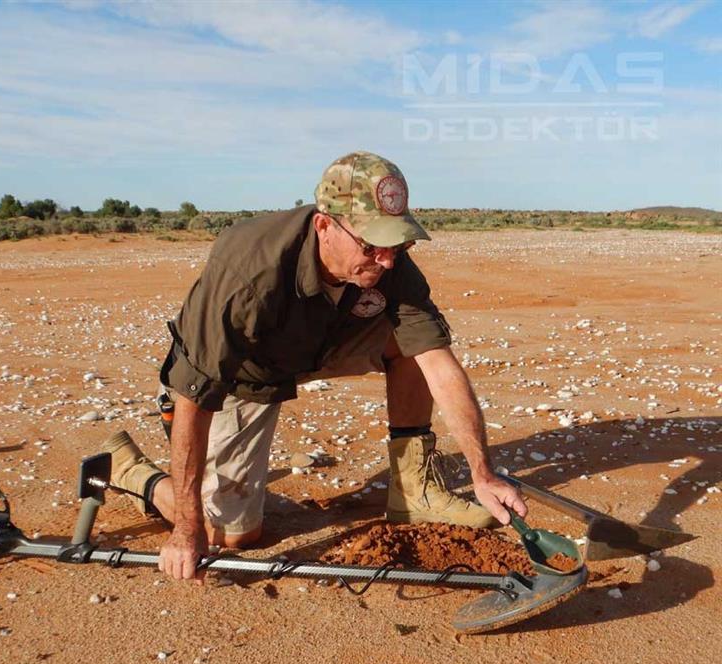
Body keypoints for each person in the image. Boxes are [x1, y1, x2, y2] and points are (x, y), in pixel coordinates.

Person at [101, 151, 526, 581]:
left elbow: (437, 361)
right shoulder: (248, 272)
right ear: (325, 226)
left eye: (398, 244)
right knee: (230, 533)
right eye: (372, 245)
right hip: (244, 374)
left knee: (414, 340)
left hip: (318, 346)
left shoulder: (387, 264)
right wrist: (186, 526)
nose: (388, 260)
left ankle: (413, 491)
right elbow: (195, 393)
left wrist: (482, 473)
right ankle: (134, 472)